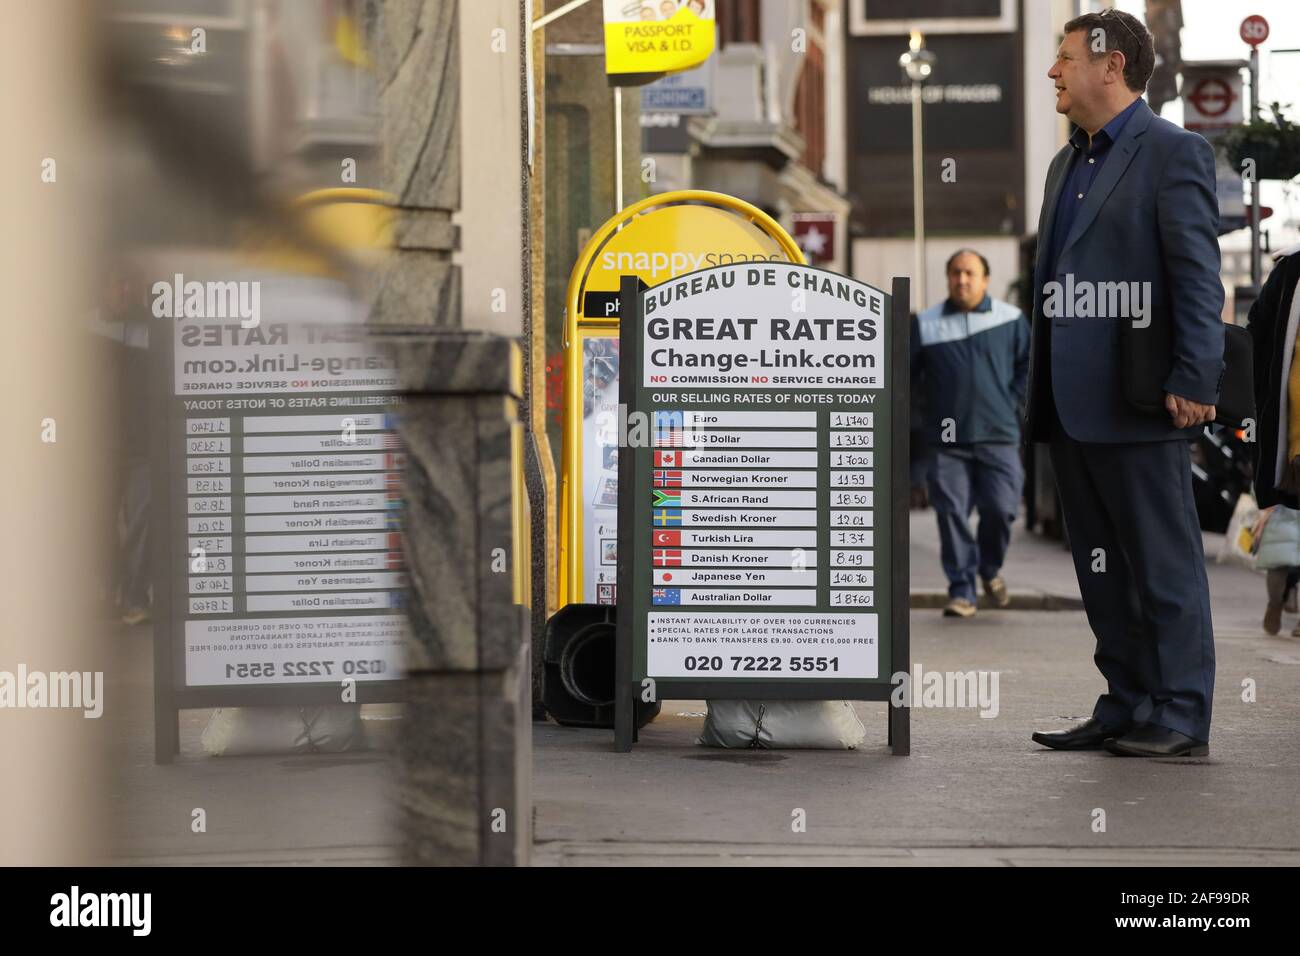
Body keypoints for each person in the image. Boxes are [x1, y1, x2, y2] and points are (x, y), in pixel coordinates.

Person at [1025, 9, 1223, 758]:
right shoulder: (1064, 165)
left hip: (1145, 402)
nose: (1054, 71)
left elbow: (1197, 280)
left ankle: (1180, 714)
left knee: (1164, 569)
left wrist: (1194, 376)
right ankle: (1127, 702)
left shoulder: (1175, 153)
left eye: (1065, 58)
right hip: (1071, 406)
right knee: (1103, 573)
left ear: (1111, 66)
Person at [911, 249, 1029, 618]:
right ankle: (962, 590)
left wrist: (1013, 406)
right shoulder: (925, 323)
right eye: (955, 273)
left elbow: (1029, 369)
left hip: (999, 436)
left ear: (985, 279)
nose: (962, 279)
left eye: (970, 273)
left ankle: (989, 570)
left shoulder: (1010, 319)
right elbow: (908, 381)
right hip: (946, 444)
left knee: (1002, 509)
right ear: (947, 278)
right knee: (951, 515)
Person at [1245, 240, 1300, 633]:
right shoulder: (1289, 270)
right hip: (1290, 426)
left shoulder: (1288, 271)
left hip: (1290, 430)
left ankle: (1280, 596)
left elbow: (1256, 335)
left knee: (1284, 515)